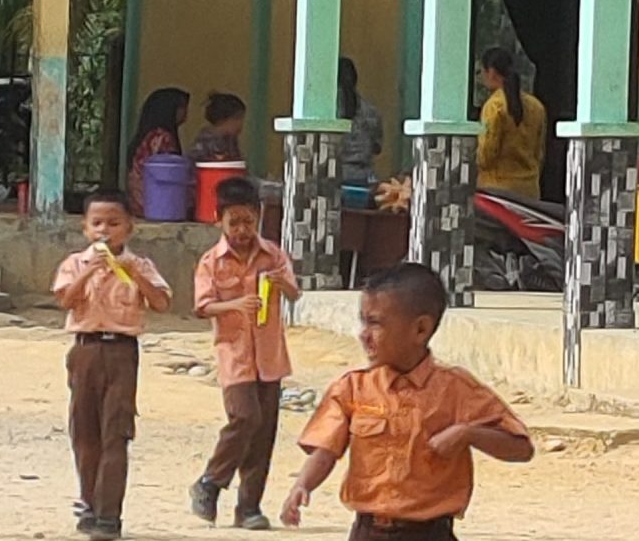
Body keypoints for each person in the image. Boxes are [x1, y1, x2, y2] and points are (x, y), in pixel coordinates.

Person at [281, 263, 534, 541]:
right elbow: (326, 450)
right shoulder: (353, 388)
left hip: (430, 533)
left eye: (375, 323)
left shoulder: (457, 390)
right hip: (368, 531)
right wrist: (302, 486)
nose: (364, 334)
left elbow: (521, 448)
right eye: (363, 321)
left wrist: (467, 433)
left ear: (420, 330)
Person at [52, 190, 173, 541]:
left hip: (122, 351)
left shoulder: (140, 265)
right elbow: (64, 299)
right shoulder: (75, 262)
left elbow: (162, 302)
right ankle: (88, 502)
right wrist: (90, 272)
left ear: (129, 228)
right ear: (86, 228)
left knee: (116, 432)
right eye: (98, 223)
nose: (106, 231)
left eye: (114, 223)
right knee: (84, 431)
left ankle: (109, 514)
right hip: (85, 349)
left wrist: (134, 274)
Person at [189, 177, 300, 530]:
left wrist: (284, 285)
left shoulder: (274, 254)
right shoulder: (212, 262)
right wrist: (236, 304)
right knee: (245, 418)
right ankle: (210, 481)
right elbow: (203, 306)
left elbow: (295, 293)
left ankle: (249, 507)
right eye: (233, 222)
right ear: (218, 220)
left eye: (248, 222)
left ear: (259, 218)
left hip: (270, 356)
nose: (241, 230)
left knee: (263, 432)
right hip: (234, 354)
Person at [478, 47, 546, 199]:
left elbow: (486, 156)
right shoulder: (537, 106)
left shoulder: (494, 107)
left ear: (491, 72)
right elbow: (539, 153)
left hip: (497, 190)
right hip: (530, 190)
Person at [126, 88, 190, 217]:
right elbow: (168, 174)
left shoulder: (148, 135)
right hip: (155, 202)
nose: (186, 114)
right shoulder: (162, 137)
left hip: (137, 201)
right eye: (183, 108)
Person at [338, 57, 383, 185]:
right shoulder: (371, 112)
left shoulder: (329, 114)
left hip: (338, 176)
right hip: (366, 177)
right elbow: (377, 148)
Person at [189, 92, 246, 163]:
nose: (240, 123)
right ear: (223, 119)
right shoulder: (205, 141)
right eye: (237, 118)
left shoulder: (231, 140)